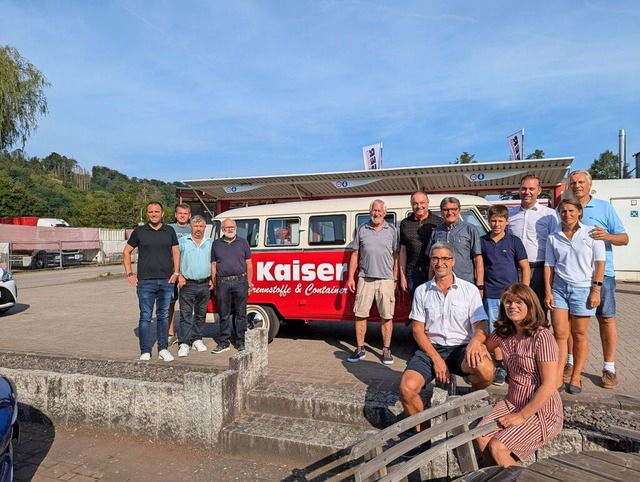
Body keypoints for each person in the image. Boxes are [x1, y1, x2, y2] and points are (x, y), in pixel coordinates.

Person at [399, 242, 494, 452]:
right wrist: (437, 359)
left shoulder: (469, 290)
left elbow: (481, 326)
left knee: (486, 371)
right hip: (431, 348)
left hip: (461, 348)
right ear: (431, 261)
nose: (439, 263)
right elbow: (417, 330)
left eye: (444, 259)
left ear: (453, 261)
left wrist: (476, 342)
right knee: (407, 388)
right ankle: (422, 434)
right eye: (435, 259)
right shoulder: (423, 291)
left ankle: (470, 402)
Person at [476, 283, 563, 467]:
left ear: (530, 305)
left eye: (518, 302)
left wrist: (521, 416)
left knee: (498, 447)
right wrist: (475, 346)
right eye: (508, 302)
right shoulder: (504, 332)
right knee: (482, 437)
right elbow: (483, 348)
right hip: (512, 403)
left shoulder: (542, 337)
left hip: (541, 410)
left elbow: (550, 385)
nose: (512, 306)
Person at [568, 170, 629, 389]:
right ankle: (570, 363)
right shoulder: (563, 208)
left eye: (581, 182)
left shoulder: (604, 207)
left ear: (589, 184)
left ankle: (609, 367)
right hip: (574, 277)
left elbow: (624, 238)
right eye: (573, 182)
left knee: (606, 319)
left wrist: (607, 236)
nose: (577, 185)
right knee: (571, 323)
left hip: (602, 276)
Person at [544, 198, 605, 394]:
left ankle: (576, 376)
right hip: (559, 289)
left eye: (571, 211)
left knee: (579, 335)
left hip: (583, 289)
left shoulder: (592, 233)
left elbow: (600, 263)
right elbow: (549, 266)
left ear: (579, 212)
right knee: (560, 334)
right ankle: (559, 374)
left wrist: (596, 289)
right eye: (563, 211)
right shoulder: (553, 236)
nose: (567, 214)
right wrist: (548, 291)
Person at [123, 201, 180, 362]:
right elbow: (126, 252)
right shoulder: (139, 231)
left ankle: (163, 349)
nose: (154, 214)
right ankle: (145, 350)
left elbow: (176, 252)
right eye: (150, 212)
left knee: (162, 316)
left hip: (166, 281)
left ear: (162, 213)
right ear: (147, 214)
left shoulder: (169, 230)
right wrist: (129, 274)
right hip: (145, 282)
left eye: (157, 211)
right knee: (145, 316)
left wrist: (176, 272)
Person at [480, 205, 530, 385]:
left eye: (500, 220)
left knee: (517, 329)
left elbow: (524, 267)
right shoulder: (482, 241)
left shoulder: (514, 241)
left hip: (513, 295)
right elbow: (480, 266)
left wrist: (524, 292)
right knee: (497, 330)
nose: (496, 224)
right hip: (492, 293)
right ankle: (501, 365)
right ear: (489, 220)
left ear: (507, 221)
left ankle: (519, 364)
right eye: (493, 220)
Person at [347, 199, 399, 365]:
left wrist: (395, 277)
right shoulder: (362, 229)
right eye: (374, 210)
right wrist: (350, 277)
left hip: (386, 279)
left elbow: (396, 256)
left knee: (387, 315)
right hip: (365, 278)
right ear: (370, 212)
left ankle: (386, 349)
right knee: (360, 314)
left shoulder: (392, 230)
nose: (376, 213)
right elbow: (355, 254)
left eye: (379, 211)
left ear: (385, 213)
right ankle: (360, 348)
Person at [507, 174, 558, 310]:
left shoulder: (549, 214)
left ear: (539, 191)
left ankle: (540, 332)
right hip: (514, 269)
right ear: (519, 190)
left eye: (531, 189)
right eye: (524, 189)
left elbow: (556, 244)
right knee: (516, 309)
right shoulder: (510, 214)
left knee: (539, 310)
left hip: (539, 271)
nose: (527, 192)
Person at [211, 218, 254, 353]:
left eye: (232, 227)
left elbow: (249, 264)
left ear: (236, 228)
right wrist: (215, 284)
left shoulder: (243, 242)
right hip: (222, 282)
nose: (230, 229)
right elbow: (213, 266)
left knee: (241, 314)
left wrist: (249, 283)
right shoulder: (216, 244)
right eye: (227, 227)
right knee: (224, 314)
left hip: (240, 281)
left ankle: (241, 342)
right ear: (222, 229)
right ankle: (224, 342)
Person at [176, 215, 212, 357]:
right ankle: (184, 343)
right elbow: (175, 259)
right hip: (187, 283)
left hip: (204, 283)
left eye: (201, 226)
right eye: (195, 226)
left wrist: (212, 279)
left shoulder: (210, 243)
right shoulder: (183, 242)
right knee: (185, 315)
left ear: (205, 228)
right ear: (190, 227)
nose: (198, 229)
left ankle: (197, 339)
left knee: (201, 314)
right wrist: (179, 274)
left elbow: (214, 262)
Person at [427, 197, 484, 287]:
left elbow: (477, 258)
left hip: (465, 283)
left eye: (453, 209)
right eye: (446, 209)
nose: (450, 213)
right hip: (441, 283)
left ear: (459, 211)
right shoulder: (436, 232)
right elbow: (431, 260)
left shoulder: (470, 229)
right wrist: (429, 282)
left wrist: (480, 285)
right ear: (441, 212)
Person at [399, 191, 443, 295]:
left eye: (422, 202)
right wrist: (402, 276)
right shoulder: (405, 223)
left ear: (428, 202)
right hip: (413, 272)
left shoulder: (439, 222)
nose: (419, 206)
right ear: (411, 204)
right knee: (416, 304)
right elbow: (403, 250)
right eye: (415, 203)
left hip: (435, 269)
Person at [168, 203, 192, 346]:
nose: (182, 216)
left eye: (185, 213)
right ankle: (170, 332)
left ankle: (186, 333)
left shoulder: (193, 229)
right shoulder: (169, 229)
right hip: (171, 272)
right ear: (175, 214)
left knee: (187, 304)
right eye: (180, 213)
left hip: (188, 272)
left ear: (189, 215)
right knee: (170, 303)